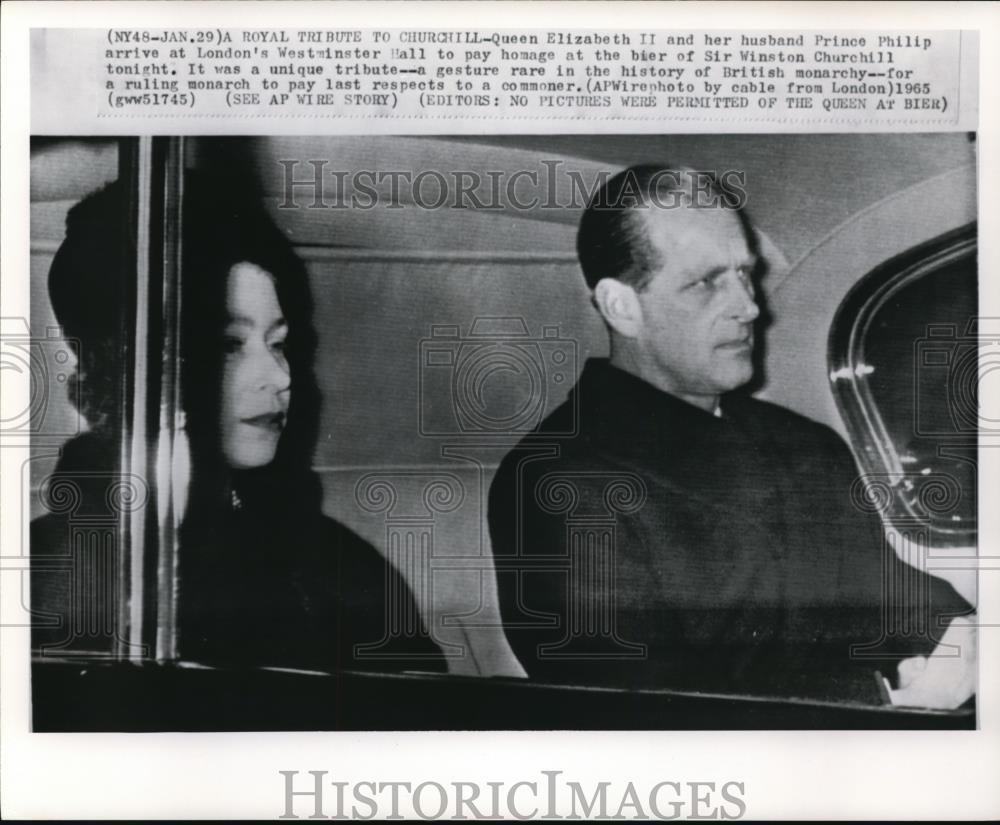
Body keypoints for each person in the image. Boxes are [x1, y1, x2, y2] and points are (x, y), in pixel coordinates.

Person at [488, 165, 974, 707]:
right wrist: (884, 704)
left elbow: (889, 596)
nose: (749, 305)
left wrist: (964, 642)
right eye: (705, 282)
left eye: (745, 274)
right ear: (621, 306)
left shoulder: (804, 446)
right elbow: (632, 707)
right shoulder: (556, 479)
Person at [33, 177, 444, 674]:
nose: (279, 377)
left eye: (280, 343)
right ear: (126, 365)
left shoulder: (337, 560)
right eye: (229, 345)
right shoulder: (54, 572)